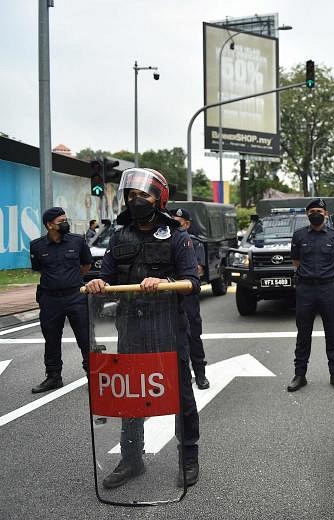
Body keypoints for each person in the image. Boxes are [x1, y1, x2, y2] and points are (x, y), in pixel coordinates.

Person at [84, 168, 201, 488]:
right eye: (131, 195)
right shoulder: (120, 236)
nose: (136, 200)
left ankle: (189, 456)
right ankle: (131, 459)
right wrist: (97, 282)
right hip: (130, 328)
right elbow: (105, 275)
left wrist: (165, 283)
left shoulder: (178, 237)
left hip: (168, 328)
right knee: (131, 396)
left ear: (159, 199)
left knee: (180, 393)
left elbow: (193, 282)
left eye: (143, 195)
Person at [28, 208, 93, 393]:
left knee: (85, 338)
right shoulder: (37, 246)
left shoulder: (77, 241)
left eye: (66, 220)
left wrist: (71, 280)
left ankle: (93, 376)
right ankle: (53, 377)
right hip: (50, 299)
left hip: (75, 296)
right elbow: (39, 268)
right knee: (51, 339)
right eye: (60, 221)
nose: (65, 223)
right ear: (49, 225)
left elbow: (86, 264)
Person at [288, 198, 334, 392]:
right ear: (307, 214)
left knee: (332, 332)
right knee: (303, 333)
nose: (316, 213)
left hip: (328, 288)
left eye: (319, 211)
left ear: (326, 214)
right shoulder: (298, 236)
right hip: (305, 289)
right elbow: (296, 262)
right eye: (312, 210)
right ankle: (300, 374)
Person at [172, 207, 210, 390]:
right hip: (168, 297)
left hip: (188, 297)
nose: (174, 225)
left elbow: (198, 270)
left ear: (187, 224)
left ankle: (200, 374)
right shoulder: (165, 242)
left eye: (178, 222)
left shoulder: (194, 243)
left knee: (193, 336)